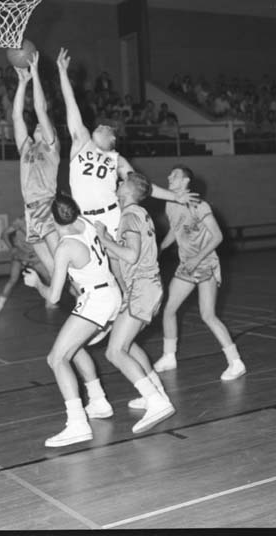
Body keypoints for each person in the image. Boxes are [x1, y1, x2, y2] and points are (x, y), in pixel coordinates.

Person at [56, 49, 198, 241]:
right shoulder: (82, 142)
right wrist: (63, 74)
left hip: (111, 215)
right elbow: (71, 105)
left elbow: (144, 186)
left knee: (122, 258)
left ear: (112, 140)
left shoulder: (118, 160)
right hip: (84, 218)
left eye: (106, 127)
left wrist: (175, 197)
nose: (101, 125)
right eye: (101, 125)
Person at [23, 194, 122, 447]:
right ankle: (98, 401)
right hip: (109, 291)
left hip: (96, 300)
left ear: (53, 219)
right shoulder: (86, 222)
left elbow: (54, 297)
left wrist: (37, 284)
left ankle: (77, 424)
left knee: (56, 359)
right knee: (74, 348)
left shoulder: (66, 247)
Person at [95, 172, 176, 434]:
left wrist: (104, 239)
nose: (118, 184)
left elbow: (130, 255)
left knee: (114, 351)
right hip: (144, 287)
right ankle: (155, 391)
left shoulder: (130, 215)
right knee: (128, 345)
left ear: (129, 191)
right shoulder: (139, 213)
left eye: (122, 182)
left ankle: (157, 402)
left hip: (143, 287)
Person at [153, 165, 247, 381]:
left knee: (208, 315)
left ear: (185, 181)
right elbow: (175, 230)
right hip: (186, 265)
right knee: (169, 310)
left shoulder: (199, 205)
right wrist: (160, 248)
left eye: (175, 175)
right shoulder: (171, 203)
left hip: (205, 263)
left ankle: (236, 362)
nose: (169, 176)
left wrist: (197, 258)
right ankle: (169, 356)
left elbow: (217, 236)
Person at [11, 50, 61, 278]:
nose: (39, 125)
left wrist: (35, 73)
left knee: (61, 260)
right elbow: (16, 117)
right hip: (30, 210)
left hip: (46, 205)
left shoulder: (51, 148)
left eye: (45, 125)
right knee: (51, 268)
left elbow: (40, 109)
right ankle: (70, 293)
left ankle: (85, 292)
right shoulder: (26, 149)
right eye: (38, 125)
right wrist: (22, 83)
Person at [0, 216, 50, 316]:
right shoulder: (20, 221)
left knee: (48, 277)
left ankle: (49, 300)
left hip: (33, 256)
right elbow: (4, 234)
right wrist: (11, 248)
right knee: (12, 280)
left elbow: (41, 240)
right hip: (20, 255)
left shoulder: (41, 223)